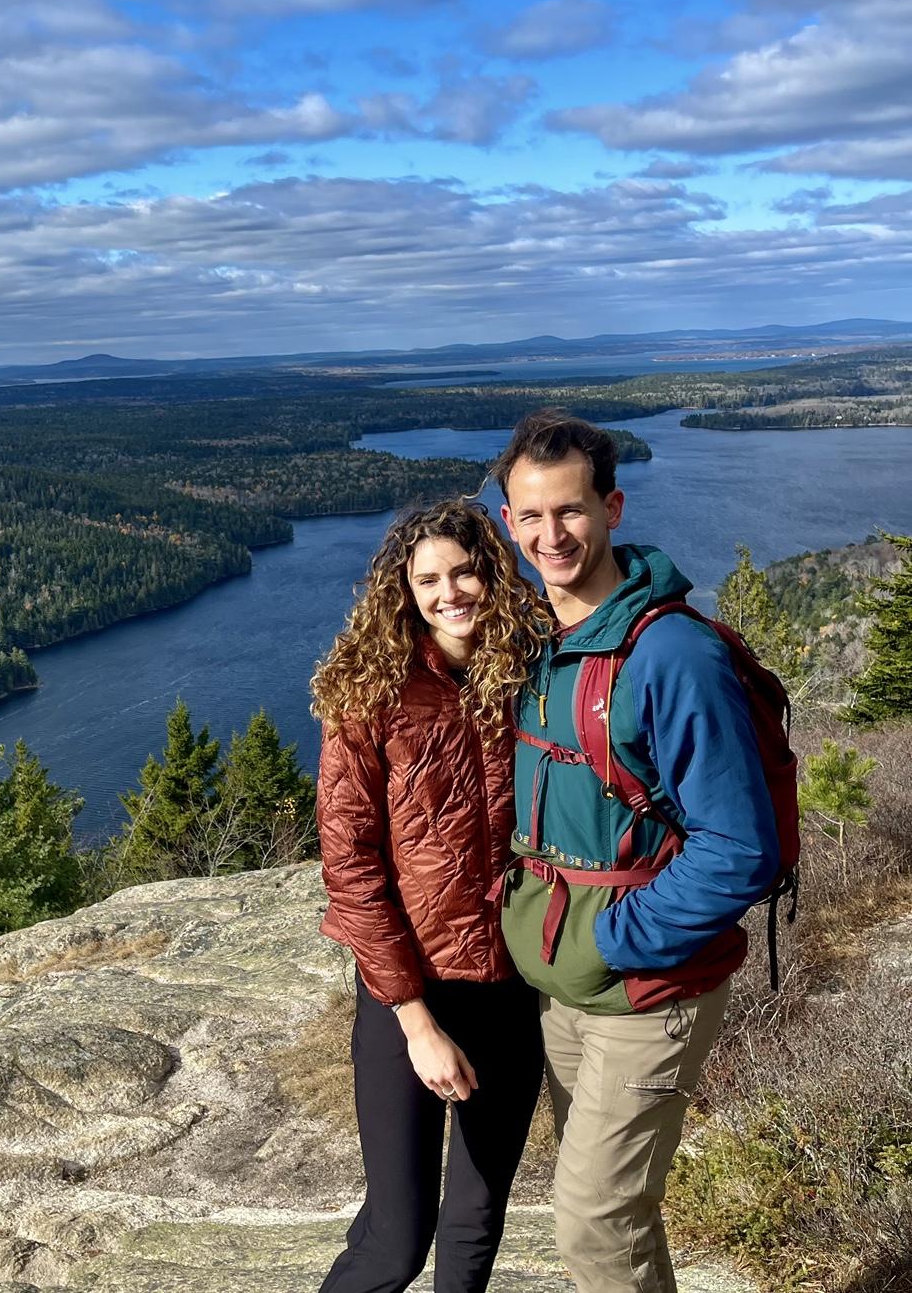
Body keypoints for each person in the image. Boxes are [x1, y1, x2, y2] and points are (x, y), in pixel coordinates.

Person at [491, 409, 779, 1293]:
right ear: (509, 521)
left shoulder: (673, 655)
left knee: (589, 1221)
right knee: (619, 1217)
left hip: (647, 988)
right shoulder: (535, 640)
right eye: (531, 516)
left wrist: (613, 941)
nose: (552, 535)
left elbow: (741, 849)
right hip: (560, 987)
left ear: (613, 507)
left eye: (571, 511)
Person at [312, 498, 548, 1293]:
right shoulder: (371, 694)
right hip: (408, 992)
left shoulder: (536, 673)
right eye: (428, 579)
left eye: (465, 570)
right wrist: (415, 1020)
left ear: (494, 573)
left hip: (514, 986)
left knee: (477, 1222)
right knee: (396, 1239)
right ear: (403, 592)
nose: (450, 592)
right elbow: (350, 867)